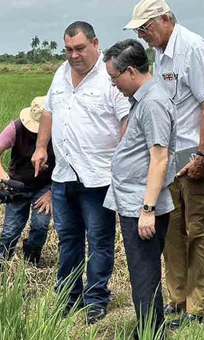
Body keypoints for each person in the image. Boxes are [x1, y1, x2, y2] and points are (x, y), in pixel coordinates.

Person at [125, 0, 204, 326]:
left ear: (165, 19)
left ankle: (199, 308)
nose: (143, 35)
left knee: (197, 232)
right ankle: (176, 300)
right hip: (170, 158)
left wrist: (202, 154)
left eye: (146, 28)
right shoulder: (159, 53)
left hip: (195, 156)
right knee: (171, 235)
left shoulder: (192, 48)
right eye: (139, 30)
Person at [32, 21, 130, 324]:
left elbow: (125, 121)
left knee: (99, 241)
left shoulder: (109, 76)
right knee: (68, 240)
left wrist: (124, 164)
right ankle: (68, 296)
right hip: (63, 176)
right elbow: (48, 111)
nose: (74, 55)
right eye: (69, 49)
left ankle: (96, 299)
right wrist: (40, 148)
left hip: (99, 177)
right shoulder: (60, 73)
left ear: (95, 44)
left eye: (80, 48)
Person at [102, 39, 177, 340]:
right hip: (134, 200)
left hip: (142, 204)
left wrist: (147, 210)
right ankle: (148, 330)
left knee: (144, 274)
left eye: (114, 78)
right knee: (142, 273)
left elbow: (160, 158)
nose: (114, 85)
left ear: (130, 71)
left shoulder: (153, 102)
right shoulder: (144, 100)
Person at [0, 96, 55, 271]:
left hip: (45, 186)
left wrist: (51, 194)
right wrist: (3, 176)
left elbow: (68, 165)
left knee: (40, 225)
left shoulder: (60, 132)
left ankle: (31, 265)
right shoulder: (16, 128)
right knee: (10, 230)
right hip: (18, 185)